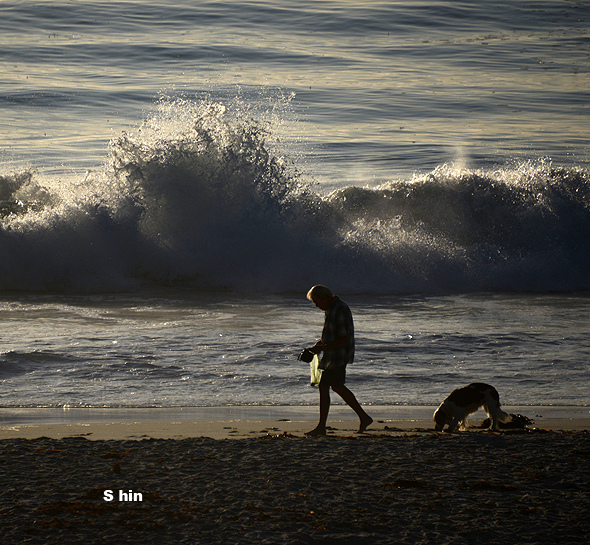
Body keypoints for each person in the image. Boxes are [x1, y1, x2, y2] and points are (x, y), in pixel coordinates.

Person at [305, 285, 373, 436]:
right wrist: (319, 345)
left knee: (328, 387)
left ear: (325, 297)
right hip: (333, 355)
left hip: (338, 356)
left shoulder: (339, 309)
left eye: (317, 302)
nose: (316, 306)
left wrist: (323, 348)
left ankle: (322, 427)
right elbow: (333, 335)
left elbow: (344, 340)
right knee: (335, 387)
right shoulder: (332, 308)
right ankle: (363, 417)